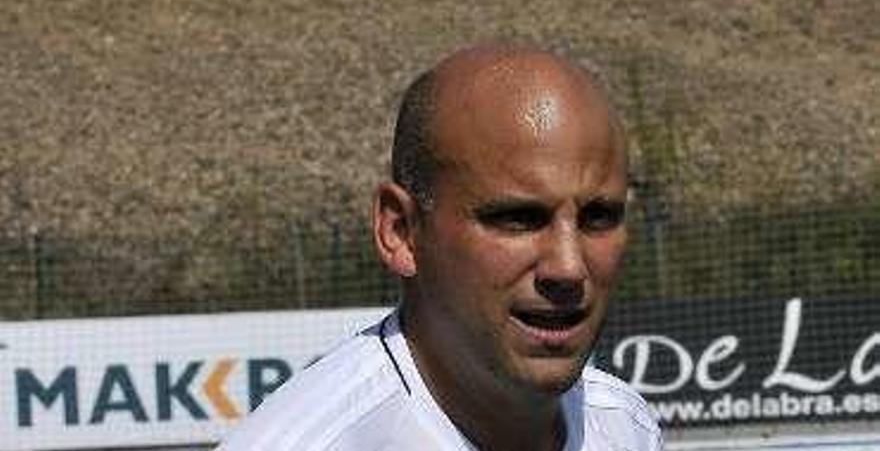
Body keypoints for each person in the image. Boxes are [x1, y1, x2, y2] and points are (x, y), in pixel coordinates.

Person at [216, 44, 662, 451]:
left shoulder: (626, 427)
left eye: (599, 217)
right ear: (401, 231)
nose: (568, 267)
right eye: (517, 219)